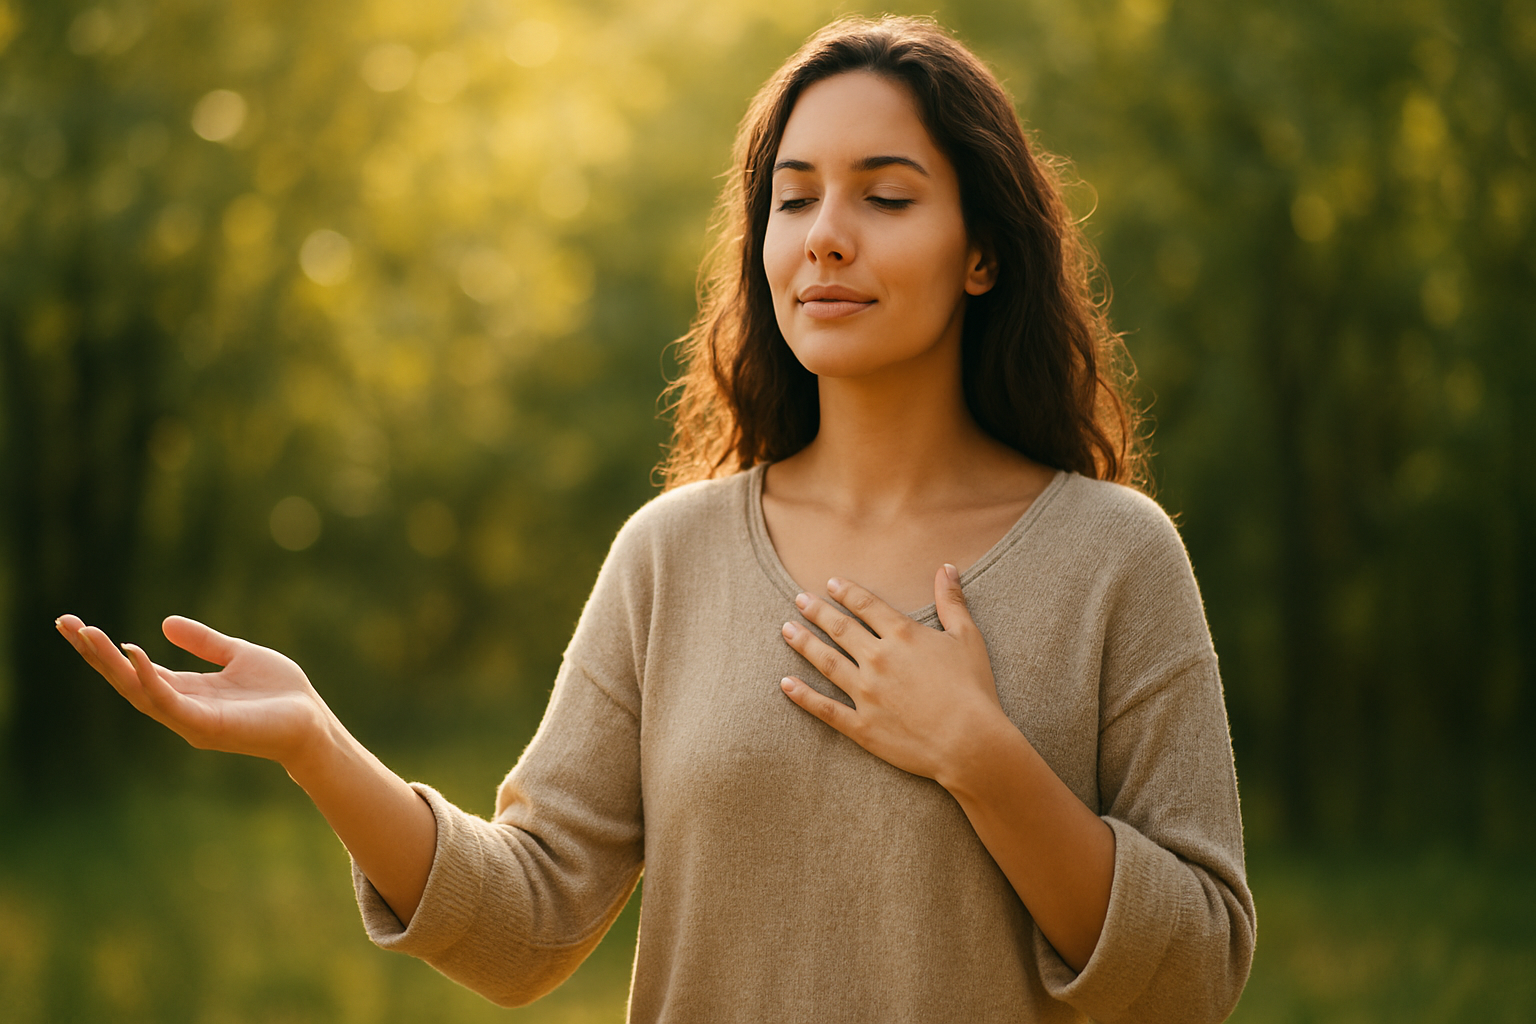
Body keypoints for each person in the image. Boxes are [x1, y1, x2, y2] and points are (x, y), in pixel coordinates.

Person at [56, 15, 1254, 1023]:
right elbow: (526, 921)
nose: (826, 234)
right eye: (794, 199)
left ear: (982, 253)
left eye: (886, 196)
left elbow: (1198, 972)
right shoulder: (670, 556)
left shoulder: (1114, 556)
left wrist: (982, 757)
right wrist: (318, 744)